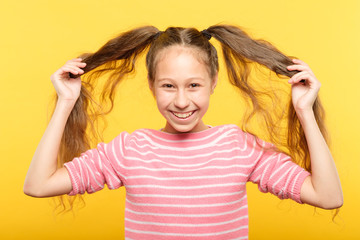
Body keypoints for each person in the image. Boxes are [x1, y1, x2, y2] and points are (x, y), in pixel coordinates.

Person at [24, 25, 343, 239]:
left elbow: (328, 197)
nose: (181, 101)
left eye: (193, 85)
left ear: (213, 83)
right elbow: (39, 185)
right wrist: (66, 102)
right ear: (151, 85)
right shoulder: (130, 150)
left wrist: (304, 111)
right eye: (168, 86)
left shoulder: (238, 147)